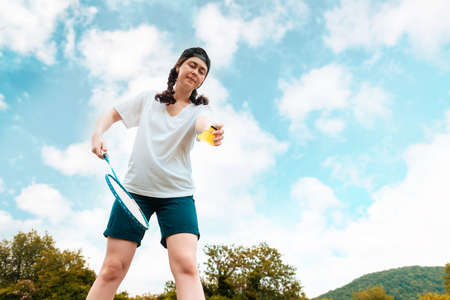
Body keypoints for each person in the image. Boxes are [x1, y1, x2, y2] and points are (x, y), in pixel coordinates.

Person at [87, 47, 223, 300]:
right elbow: (113, 113)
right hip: (134, 193)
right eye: (192, 65)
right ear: (178, 66)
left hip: (177, 196)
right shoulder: (149, 99)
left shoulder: (200, 111)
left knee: (187, 266)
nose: (196, 72)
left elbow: (204, 127)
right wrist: (98, 134)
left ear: (203, 79)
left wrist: (211, 134)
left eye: (202, 71)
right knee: (112, 268)